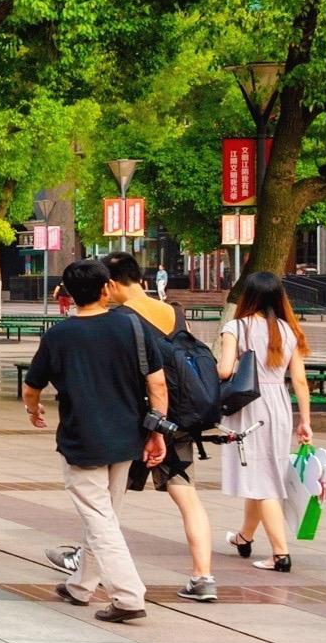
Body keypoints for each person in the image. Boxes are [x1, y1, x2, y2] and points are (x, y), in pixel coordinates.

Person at [49, 253, 218, 603]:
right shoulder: (173, 310)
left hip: (139, 421)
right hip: (180, 416)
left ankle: (119, 589)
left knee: (101, 505)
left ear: (108, 284)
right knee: (185, 496)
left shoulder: (122, 320)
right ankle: (203, 575)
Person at [22, 256, 172, 622]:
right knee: (104, 515)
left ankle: (128, 596)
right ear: (106, 288)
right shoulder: (133, 326)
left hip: (82, 438)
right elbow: (157, 383)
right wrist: (157, 429)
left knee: (100, 518)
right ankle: (81, 586)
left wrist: (33, 408)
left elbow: (32, 385)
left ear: (69, 294)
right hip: (127, 435)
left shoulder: (58, 335)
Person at [217, 270, 314, 571]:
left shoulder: (236, 327)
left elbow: (223, 371)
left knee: (264, 482)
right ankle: (244, 537)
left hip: (249, 406)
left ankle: (280, 553)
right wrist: (305, 421)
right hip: (279, 403)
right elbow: (299, 379)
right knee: (263, 472)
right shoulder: (288, 330)